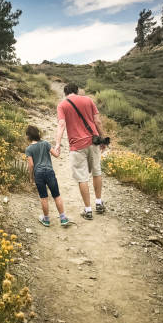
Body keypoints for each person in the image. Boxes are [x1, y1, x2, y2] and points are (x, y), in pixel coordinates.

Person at [53, 83, 107, 220]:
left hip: (77, 146)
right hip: (93, 141)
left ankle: (88, 210)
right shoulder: (88, 100)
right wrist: (103, 139)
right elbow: (98, 121)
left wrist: (58, 144)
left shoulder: (62, 105)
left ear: (65, 93)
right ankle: (99, 203)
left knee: (82, 177)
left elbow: (61, 125)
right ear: (77, 91)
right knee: (97, 171)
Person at [25, 125, 70, 227]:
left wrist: (31, 177)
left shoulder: (28, 149)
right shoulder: (45, 143)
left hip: (39, 174)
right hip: (49, 172)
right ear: (37, 133)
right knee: (56, 195)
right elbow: (56, 155)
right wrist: (58, 148)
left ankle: (46, 220)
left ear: (28, 136)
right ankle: (63, 218)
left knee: (44, 197)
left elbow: (31, 165)